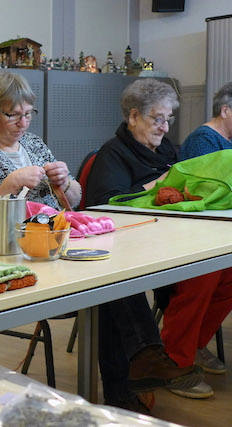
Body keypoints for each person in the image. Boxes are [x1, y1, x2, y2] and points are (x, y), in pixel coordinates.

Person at [85, 79, 203, 412]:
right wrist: (159, 184)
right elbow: (104, 206)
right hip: (123, 247)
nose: (165, 127)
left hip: (161, 243)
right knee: (117, 281)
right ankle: (138, 369)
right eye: (158, 119)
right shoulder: (113, 154)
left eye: (168, 119)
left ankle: (145, 368)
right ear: (134, 116)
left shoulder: (165, 151)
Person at [155, 81, 232, 397]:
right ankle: (175, 359)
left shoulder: (224, 142)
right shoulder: (204, 140)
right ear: (225, 110)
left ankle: (195, 344)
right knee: (205, 276)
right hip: (188, 238)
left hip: (210, 234)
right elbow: (205, 193)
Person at [0, 72, 81, 227]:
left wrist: (64, 182)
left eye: (28, 114)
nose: (23, 123)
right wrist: (11, 184)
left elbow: (75, 201)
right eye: (13, 115)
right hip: (10, 239)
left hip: (52, 233)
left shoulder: (34, 144)